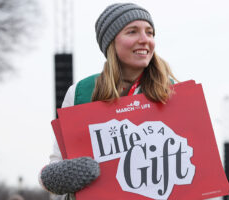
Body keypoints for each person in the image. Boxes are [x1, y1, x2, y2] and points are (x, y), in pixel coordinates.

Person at [39, 3, 177, 200]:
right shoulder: (80, 93)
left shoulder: (172, 92)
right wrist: (55, 177)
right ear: (111, 42)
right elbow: (55, 164)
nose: (144, 40)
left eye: (150, 32)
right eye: (132, 32)